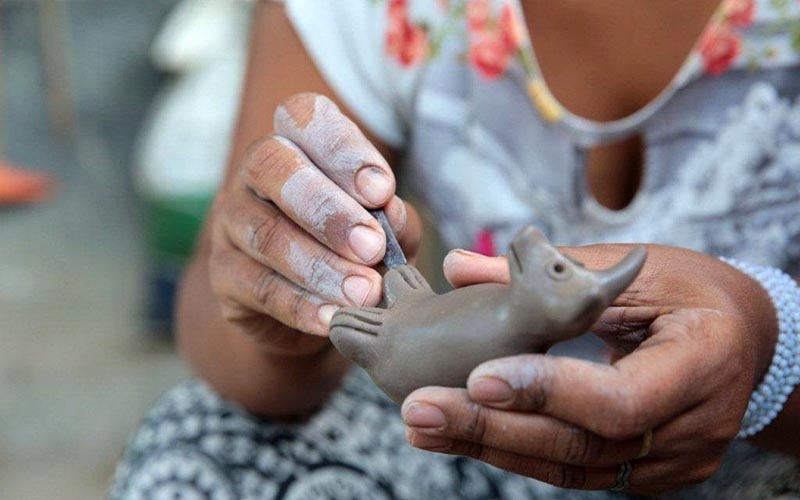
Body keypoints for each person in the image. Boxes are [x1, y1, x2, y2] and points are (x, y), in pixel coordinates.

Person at [111, 0, 800, 498]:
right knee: (200, 438)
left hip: (769, 456)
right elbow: (225, 319)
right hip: (473, 449)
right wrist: (285, 302)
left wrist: (773, 349)